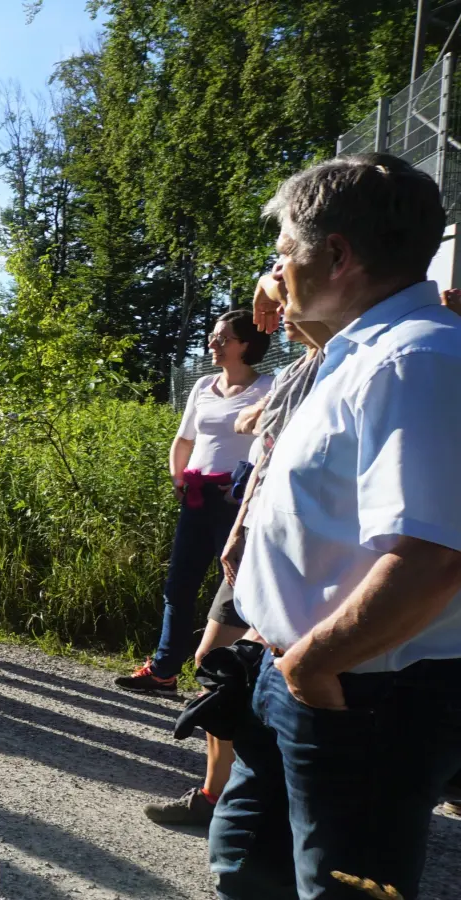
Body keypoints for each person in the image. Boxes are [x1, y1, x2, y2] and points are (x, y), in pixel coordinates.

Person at [205, 153, 461, 899]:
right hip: (301, 678)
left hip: (361, 693)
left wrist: (311, 668)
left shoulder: (415, 360)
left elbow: (432, 558)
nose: (275, 273)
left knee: (342, 890)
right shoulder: (357, 353)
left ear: (339, 255)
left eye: (284, 254)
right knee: (250, 872)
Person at [145, 290, 330, 826]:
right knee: (216, 665)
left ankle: (260, 793)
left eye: (291, 295)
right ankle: (217, 793)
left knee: (273, 676)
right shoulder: (298, 372)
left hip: (308, 554)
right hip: (254, 535)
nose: (278, 309)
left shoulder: (347, 368)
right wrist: (240, 527)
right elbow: (263, 452)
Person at [115, 310, 273, 693]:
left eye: (223, 339)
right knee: (179, 585)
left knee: (238, 587)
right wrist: (178, 476)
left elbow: (272, 447)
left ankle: (230, 678)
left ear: (246, 346)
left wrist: (242, 486)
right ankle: (164, 670)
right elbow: (184, 440)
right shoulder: (203, 385)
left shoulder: (269, 388)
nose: (212, 344)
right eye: (213, 337)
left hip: (238, 505)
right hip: (196, 499)